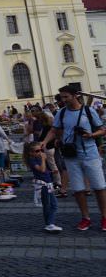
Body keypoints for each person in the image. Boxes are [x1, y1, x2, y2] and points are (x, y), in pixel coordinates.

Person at [41, 85, 106, 231]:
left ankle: (104, 217)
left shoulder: (89, 111)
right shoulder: (61, 113)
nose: (63, 100)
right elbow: (54, 129)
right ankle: (85, 218)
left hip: (90, 154)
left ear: (75, 95)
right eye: (61, 97)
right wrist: (44, 142)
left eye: (66, 97)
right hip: (71, 156)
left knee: (99, 187)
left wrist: (91, 135)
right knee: (77, 189)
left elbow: (102, 130)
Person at [25, 142, 62, 233]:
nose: (40, 152)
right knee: (52, 205)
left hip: (47, 184)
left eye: (41, 150)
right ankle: (50, 224)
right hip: (43, 185)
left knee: (49, 205)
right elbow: (41, 170)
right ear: (31, 153)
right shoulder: (32, 160)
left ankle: (49, 224)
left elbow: (44, 171)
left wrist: (51, 172)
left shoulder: (37, 158)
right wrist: (43, 159)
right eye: (37, 151)